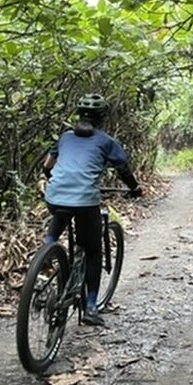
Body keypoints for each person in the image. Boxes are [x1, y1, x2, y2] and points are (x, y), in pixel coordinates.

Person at [42, 93, 143, 326]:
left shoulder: (65, 138)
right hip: (85, 200)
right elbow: (123, 170)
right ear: (102, 118)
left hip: (55, 194)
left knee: (61, 210)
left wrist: (54, 179)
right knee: (92, 250)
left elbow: (47, 166)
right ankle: (90, 306)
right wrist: (135, 189)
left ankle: (47, 249)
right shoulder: (106, 141)